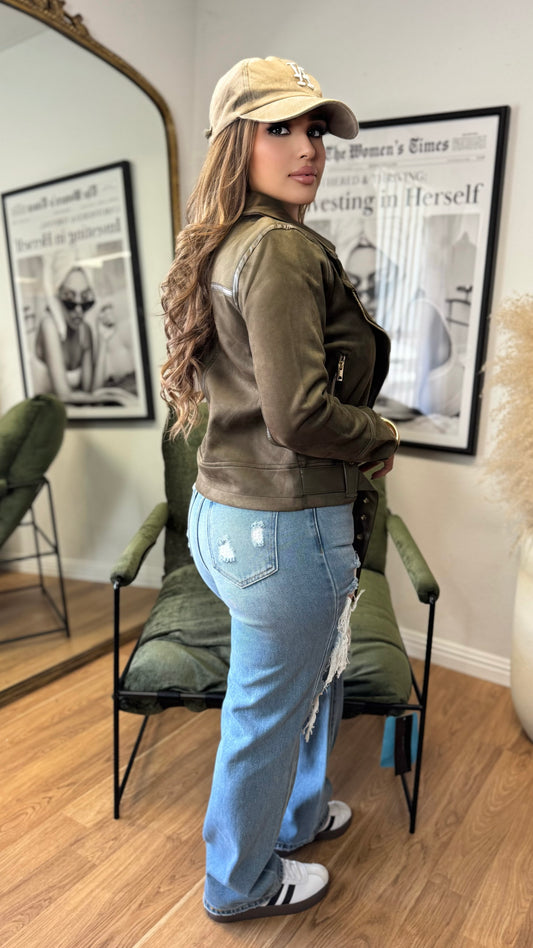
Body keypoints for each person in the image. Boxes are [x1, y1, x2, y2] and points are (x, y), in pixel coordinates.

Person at [160, 56, 399, 923]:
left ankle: (294, 817)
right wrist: (380, 436)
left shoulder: (225, 243)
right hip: (282, 528)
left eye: (315, 130)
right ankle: (241, 882)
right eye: (280, 128)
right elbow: (298, 415)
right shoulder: (282, 248)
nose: (308, 148)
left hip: (223, 515)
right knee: (264, 714)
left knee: (306, 683)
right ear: (237, 141)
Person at [33, 253, 119, 404]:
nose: (79, 311)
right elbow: (64, 396)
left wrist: (103, 341)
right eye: (70, 301)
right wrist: (111, 397)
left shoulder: (84, 330)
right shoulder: (48, 325)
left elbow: (92, 392)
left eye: (85, 301)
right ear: (57, 298)